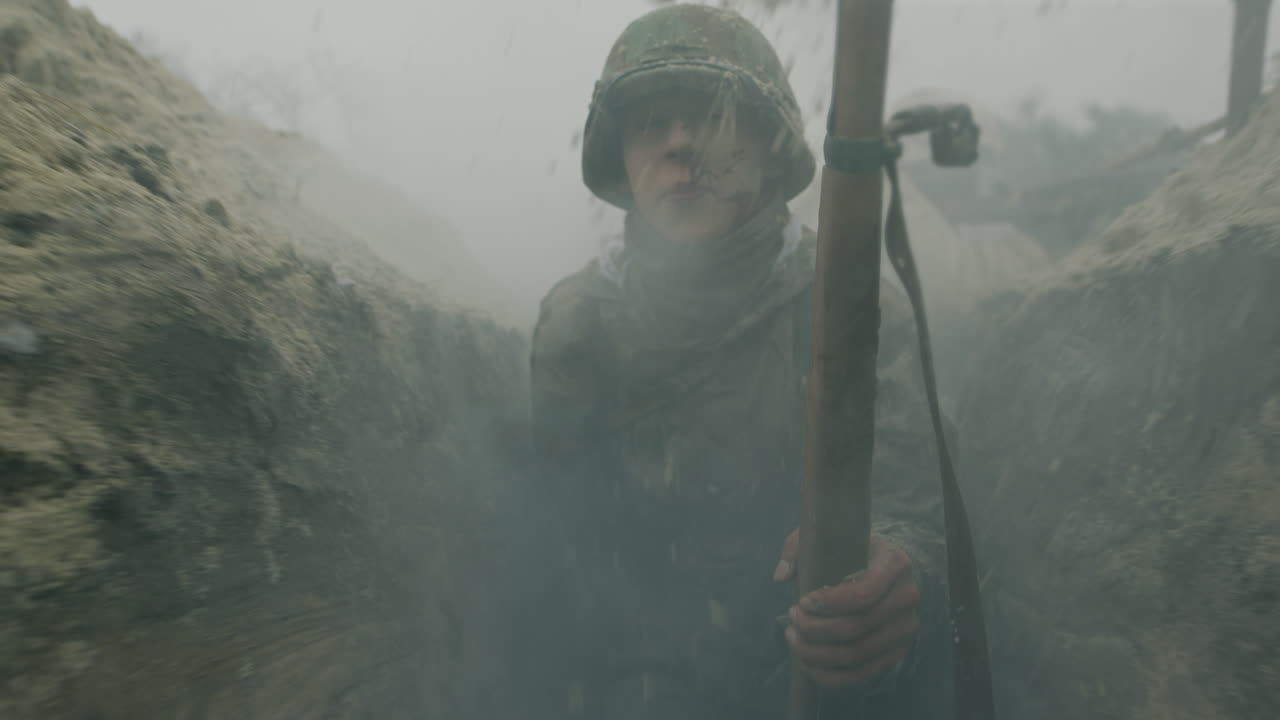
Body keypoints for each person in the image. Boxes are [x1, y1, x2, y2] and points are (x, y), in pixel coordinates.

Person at [529, 5, 951, 718]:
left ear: (766, 144)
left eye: (713, 116)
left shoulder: (848, 309)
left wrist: (891, 581)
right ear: (622, 162)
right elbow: (565, 552)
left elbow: (918, 513)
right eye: (649, 123)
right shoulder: (578, 325)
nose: (681, 144)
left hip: (820, 684)